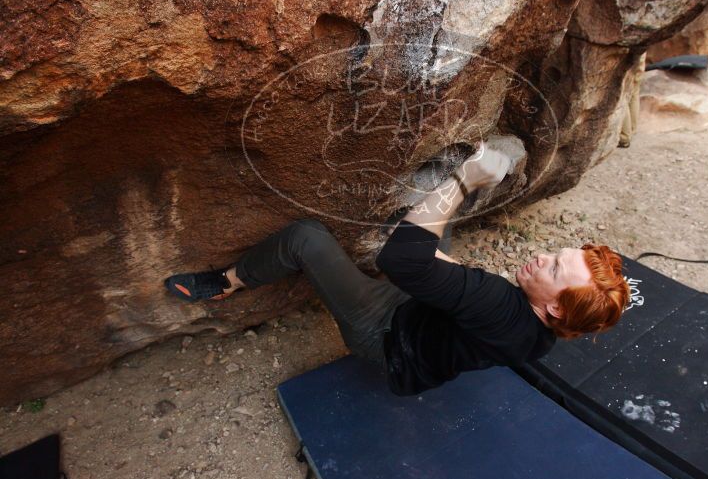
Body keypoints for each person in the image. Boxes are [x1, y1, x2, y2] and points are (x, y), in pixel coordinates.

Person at [164, 142, 630, 395]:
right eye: (556, 254)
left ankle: (225, 283)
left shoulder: (496, 302)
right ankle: (440, 194)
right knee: (433, 231)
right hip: (425, 316)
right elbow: (453, 285)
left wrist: (466, 179)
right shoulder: (544, 335)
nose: (540, 258)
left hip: (385, 336)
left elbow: (398, 261)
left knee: (305, 236)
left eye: (551, 270)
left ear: (554, 310)